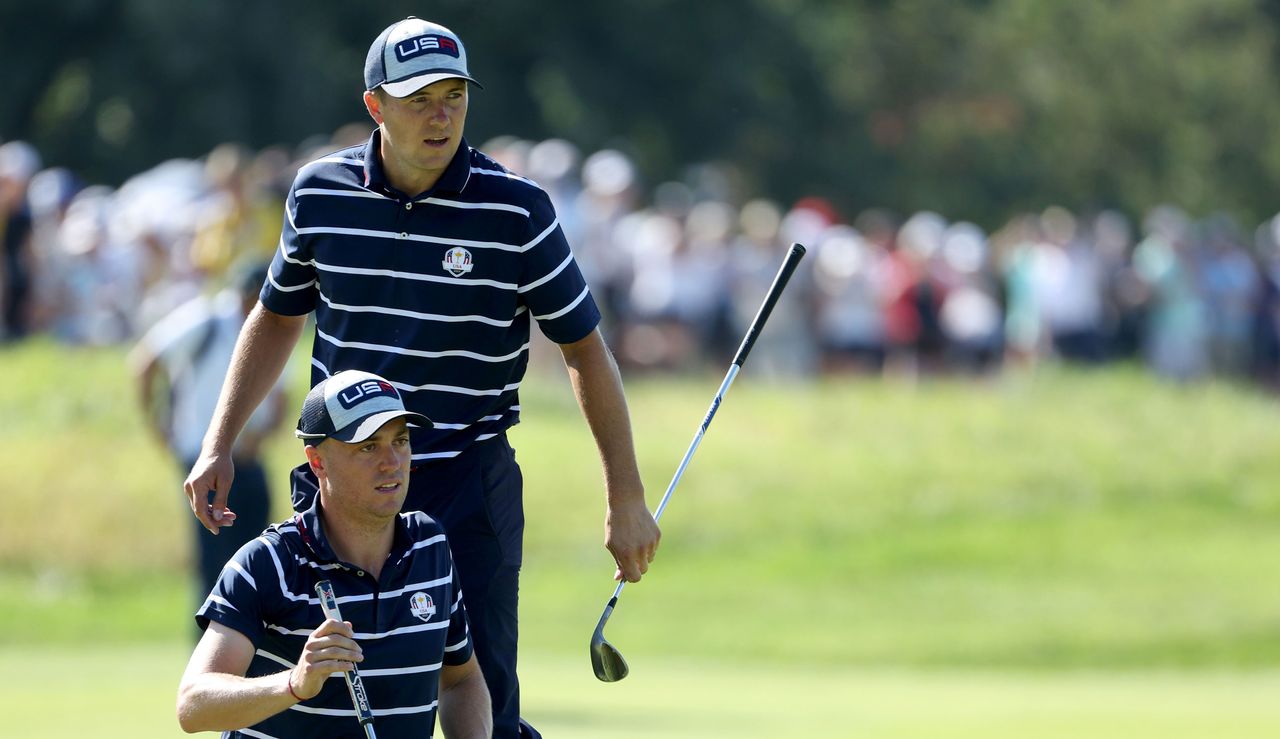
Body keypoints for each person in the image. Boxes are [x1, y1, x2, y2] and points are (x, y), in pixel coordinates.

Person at [182, 17, 661, 738]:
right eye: (419, 99)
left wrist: (625, 493)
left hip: (468, 480)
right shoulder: (319, 194)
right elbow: (277, 318)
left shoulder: (515, 211)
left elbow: (585, 349)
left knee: (484, 696)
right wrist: (219, 440)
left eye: (454, 97)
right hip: (344, 482)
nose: (441, 116)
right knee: (331, 700)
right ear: (375, 104)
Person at [178, 370, 492, 738]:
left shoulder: (430, 548)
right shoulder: (268, 563)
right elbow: (194, 705)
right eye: (368, 446)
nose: (392, 461)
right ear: (317, 461)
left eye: (401, 441)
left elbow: (460, 679)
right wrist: (294, 683)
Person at [130, 260, 285, 608]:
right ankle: (210, 656)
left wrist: (259, 439)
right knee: (214, 565)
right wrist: (160, 429)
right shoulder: (206, 319)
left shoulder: (279, 327)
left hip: (249, 459)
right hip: (205, 462)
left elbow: (281, 401)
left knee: (261, 558)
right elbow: (145, 362)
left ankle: (256, 654)